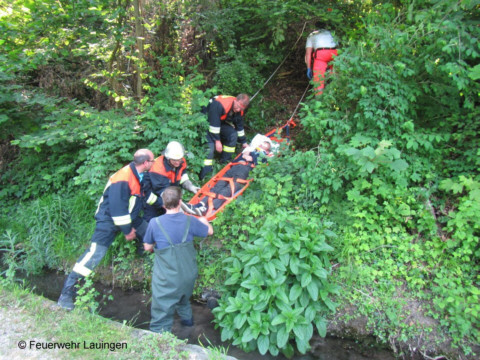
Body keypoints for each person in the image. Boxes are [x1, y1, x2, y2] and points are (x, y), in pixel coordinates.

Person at [57, 148, 155, 311]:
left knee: (149, 232)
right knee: (94, 255)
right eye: (152, 160)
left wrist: (166, 203)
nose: (154, 163)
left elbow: (145, 197)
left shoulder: (139, 175)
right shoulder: (123, 178)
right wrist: (127, 230)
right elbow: (117, 209)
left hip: (130, 218)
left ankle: (143, 254)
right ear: (145, 163)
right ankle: (67, 295)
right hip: (108, 221)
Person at [143, 186, 213, 333]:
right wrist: (204, 220)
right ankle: (188, 326)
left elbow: (147, 247)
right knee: (183, 300)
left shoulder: (155, 223)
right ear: (180, 202)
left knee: (162, 310)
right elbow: (210, 231)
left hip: (166, 279)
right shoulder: (190, 220)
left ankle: (159, 339)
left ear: (163, 203)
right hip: (188, 275)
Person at [192, 135, 273, 215]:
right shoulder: (250, 149)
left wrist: (252, 158)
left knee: (228, 189)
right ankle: (201, 204)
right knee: (218, 185)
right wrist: (249, 151)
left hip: (245, 169)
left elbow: (261, 163)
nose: (261, 145)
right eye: (262, 143)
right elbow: (244, 154)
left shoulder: (264, 156)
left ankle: (208, 207)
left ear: (267, 151)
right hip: (234, 167)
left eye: (265, 145)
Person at [143, 141, 200, 222]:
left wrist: (190, 186)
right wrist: (177, 205)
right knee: (151, 219)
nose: (177, 162)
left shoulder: (181, 161)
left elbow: (182, 175)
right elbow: (163, 190)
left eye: (179, 159)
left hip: (167, 190)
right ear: (168, 158)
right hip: (152, 194)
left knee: (170, 216)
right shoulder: (158, 168)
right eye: (174, 160)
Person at [199, 94, 250, 180]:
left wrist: (244, 142)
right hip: (206, 122)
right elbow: (213, 125)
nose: (237, 110)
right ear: (235, 100)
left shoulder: (239, 110)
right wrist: (217, 141)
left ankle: (224, 162)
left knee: (232, 134)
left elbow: (239, 126)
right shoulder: (220, 104)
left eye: (240, 109)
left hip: (219, 123)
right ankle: (205, 176)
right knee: (210, 148)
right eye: (237, 107)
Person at [305, 21, 338, 95]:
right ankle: (335, 92)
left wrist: (308, 68)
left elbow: (308, 54)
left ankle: (319, 98)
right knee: (335, 75)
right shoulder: (331, 33)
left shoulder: (312, 35)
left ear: (315, 27)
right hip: (334, 52)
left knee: (318, 78)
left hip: (321, 54)